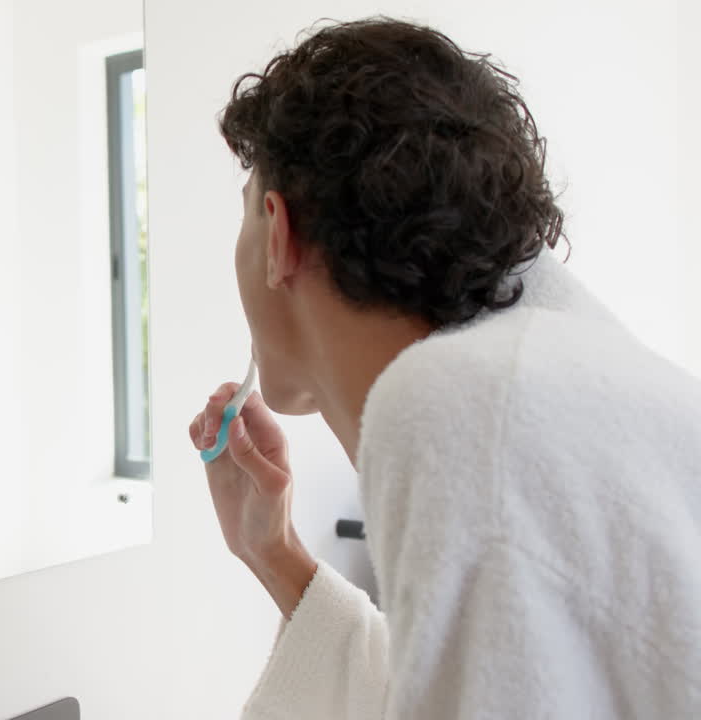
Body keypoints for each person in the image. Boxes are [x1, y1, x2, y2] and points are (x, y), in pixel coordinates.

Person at [191, 17, 701, 718]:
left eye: (246, 212)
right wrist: (272, 552)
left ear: (277, 234)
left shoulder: (467, 406)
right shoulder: (547, 377)